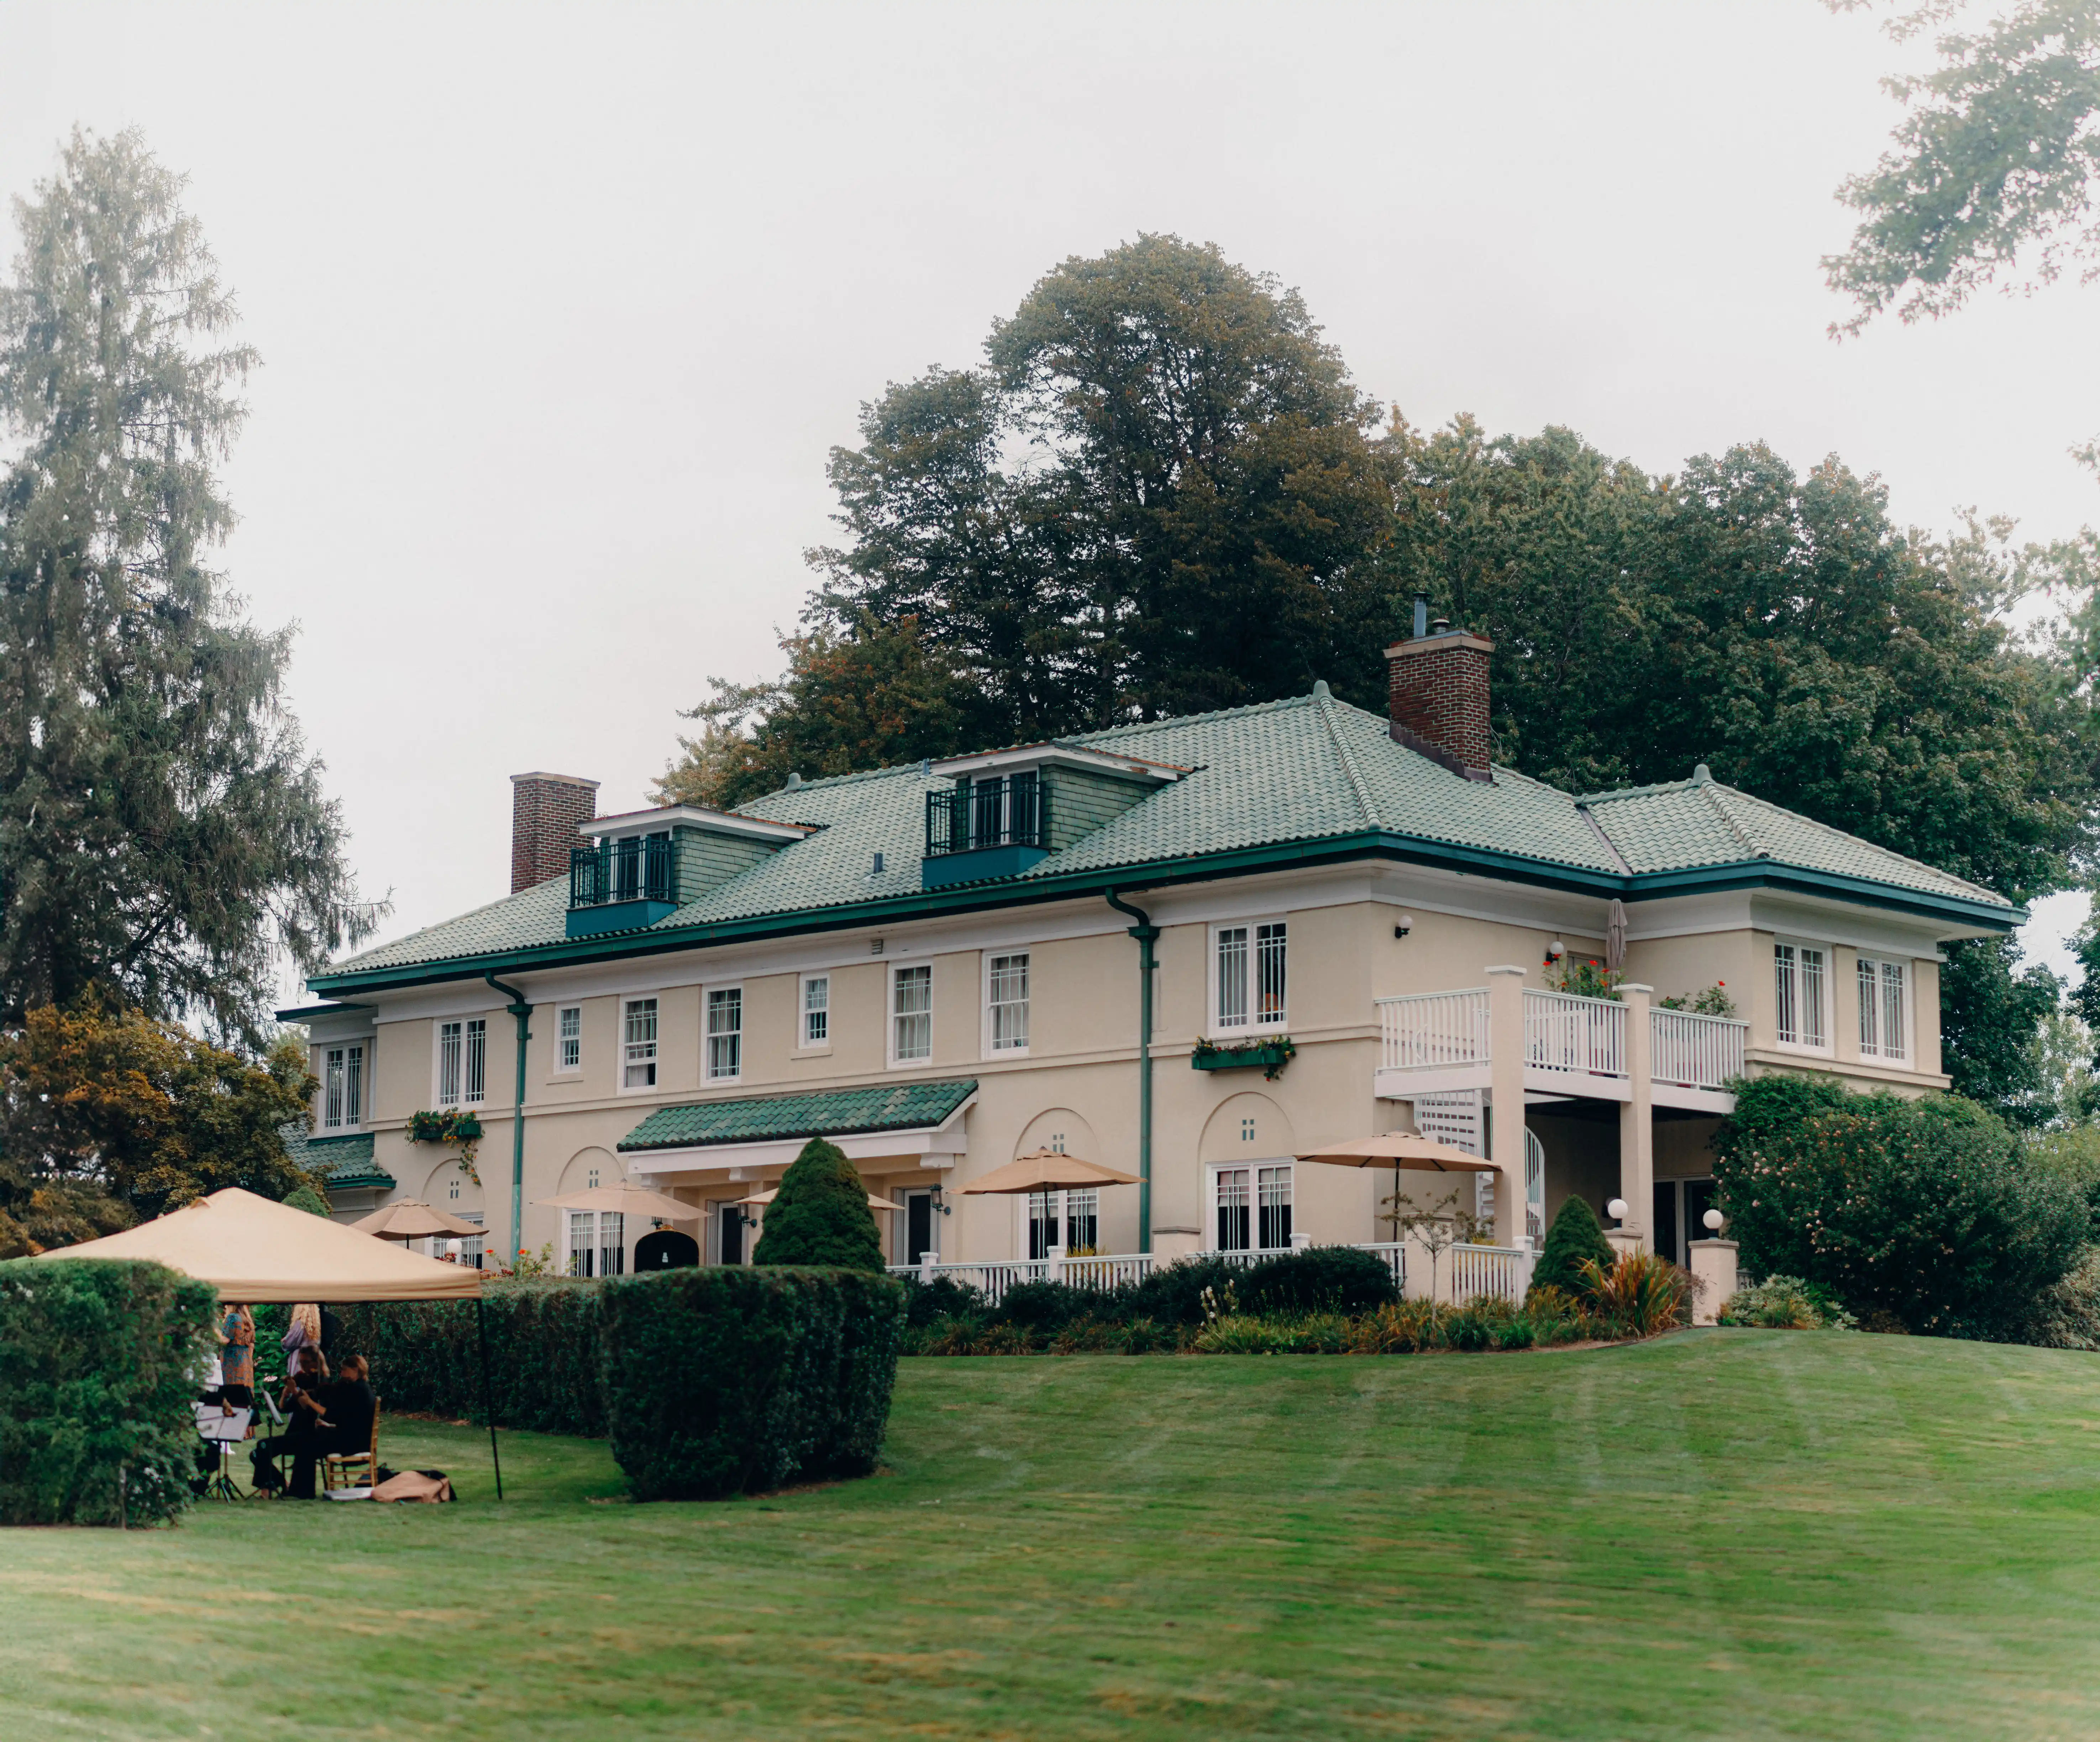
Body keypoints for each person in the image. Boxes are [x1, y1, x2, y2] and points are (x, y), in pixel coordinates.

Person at [252, 1346, 328, 1496]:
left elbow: (308, 1406)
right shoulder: (301, 1378)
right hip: (294, 1432)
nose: (303, 1367)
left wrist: (295, 1391)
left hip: (307, 1434)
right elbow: (284, 1409)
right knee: (257, 1453)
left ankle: (271, 1487)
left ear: (315, 1362)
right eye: (301, 1362)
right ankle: (279, 1482)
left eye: (306, 1362)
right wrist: (285, 1395)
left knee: (262, 1447)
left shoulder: (322, 1382)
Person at [216, 1302, 255, 1410]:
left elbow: (224, 1340)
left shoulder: (233, 1317)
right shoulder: (248, 1320)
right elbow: (252, 1345)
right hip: (246, 1362)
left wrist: (214, 1327)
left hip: (233, 1362)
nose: (225, 1307)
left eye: (227, 1304)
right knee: (246, 1396)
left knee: (234, 1395)